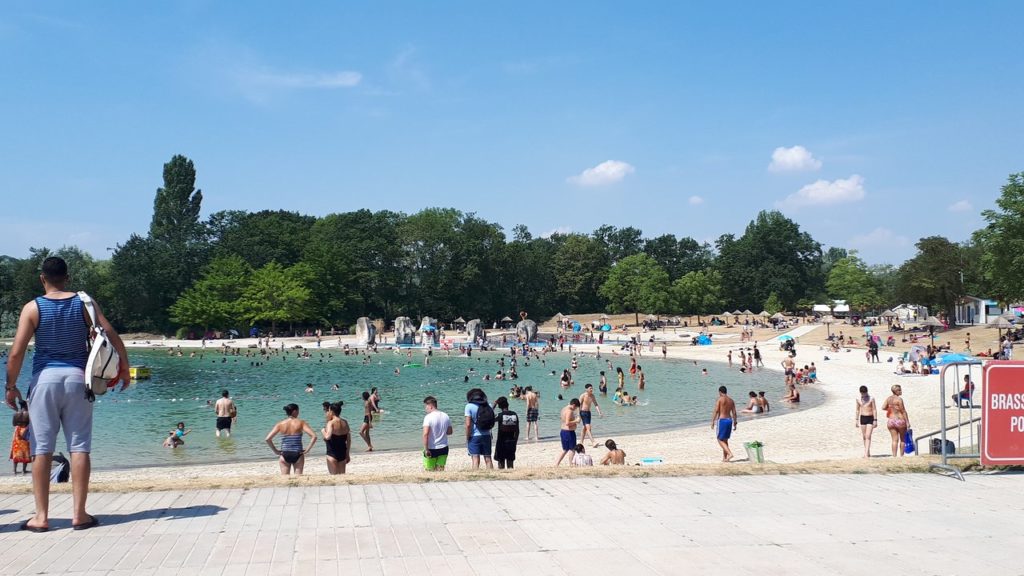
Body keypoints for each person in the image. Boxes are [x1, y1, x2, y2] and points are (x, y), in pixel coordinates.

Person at [5, 257, 130, 532]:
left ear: (42, 278)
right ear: (67, 277)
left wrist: (10, 386)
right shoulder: (84, 303)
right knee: (79, 446)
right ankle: (79, 514)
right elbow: (110, 332)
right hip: (78, 379)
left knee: (42, 449)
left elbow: (16, 353)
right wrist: (124, 366)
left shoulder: (32, 308)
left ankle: (41, 517)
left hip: (44, 381)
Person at [265, 403, 317, 475]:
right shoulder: (301, 423)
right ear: (294, 411)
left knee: (285, 480)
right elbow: (314, 436)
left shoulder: (280, 424)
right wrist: (307, 450)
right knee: (298, 479)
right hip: (298, 453)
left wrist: (276, 451)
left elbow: (268, 439)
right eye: (298, 411)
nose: (298, 413)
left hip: (284, 454)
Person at [464, 388, 494, 469]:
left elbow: (468, 424)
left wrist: (467, 436)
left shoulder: (469, 406)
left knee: (475, 458)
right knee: (488, 458)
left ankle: (475, 477)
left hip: (474, 436)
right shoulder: (489, 405)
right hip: (487, 435)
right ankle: (492, 476)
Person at [881, 384, 910, 457]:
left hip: (891, 420)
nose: (901, 391)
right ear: (896, 391)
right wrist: (907, 422)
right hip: (899, 420)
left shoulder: (889, 399)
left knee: (894, 440)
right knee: (902, 439)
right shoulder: (899, 399)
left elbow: (883, 407)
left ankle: (894, 456)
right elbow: (903, 411)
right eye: (899, 390)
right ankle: (901, 456)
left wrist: (891, 409)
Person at [321, 402, 350, 474]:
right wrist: (347, 453)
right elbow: (348, 439)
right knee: (342, 476)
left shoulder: (331, 423)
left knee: (334, 477)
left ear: (332, 412)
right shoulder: (345, 422)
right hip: (342, 452)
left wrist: (323, 431)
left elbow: (327, 437)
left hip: (332, 452)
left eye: (329, 410)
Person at [711, 386, 737, 462]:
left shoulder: (720, 399)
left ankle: (730, 454)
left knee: (719, 439)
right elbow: (734, 413)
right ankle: (725, 458)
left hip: (722, 420)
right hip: (729, 420)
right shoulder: (731, 400)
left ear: (720, 392)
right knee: (725, 440)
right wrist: (735, 423)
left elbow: (716, 411)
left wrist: (712, 421)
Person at [493, 396, 520, 469]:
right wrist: (515, 442)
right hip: (512, 441)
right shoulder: (514, 414)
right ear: (508, 405)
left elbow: (490, 418)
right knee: (510, 463)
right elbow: (517, 431)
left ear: (499, 406)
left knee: (501, 462)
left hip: (501, 442)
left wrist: (493, 405)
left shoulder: (500, 415)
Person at [554, 398, 582, 466]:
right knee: (572, 449)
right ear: (573, 405)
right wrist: (576, 421)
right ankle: (570, 464)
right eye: (575, 408)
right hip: (569, 432)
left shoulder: (564, 408)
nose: (575, 409)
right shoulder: (569, 411)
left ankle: (556, 464)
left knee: (565, 449)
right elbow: (567, 423)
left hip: (563, 431)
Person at [855, 386, 877, 458]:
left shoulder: (871, 398)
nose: (864, 395)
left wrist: (875, 420)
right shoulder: (858, 399)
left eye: (865, 393)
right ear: (860, 393)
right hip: (863, 418)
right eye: (862, 393)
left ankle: (866, 454)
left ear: (867, 392)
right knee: (864, 436)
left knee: (868, 436)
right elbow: (857, 410)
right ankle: (867, 451)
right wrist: (856, 420)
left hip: (870, 418)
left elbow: (874, 409)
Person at [10, 401, 30, 474]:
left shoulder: (16, 414)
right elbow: (30, 424)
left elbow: (14, 424)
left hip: (17, 432)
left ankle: (14, 470)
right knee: (26, 451)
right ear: (26, 405)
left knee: (16, 450)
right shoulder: (28, 414)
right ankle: (23, 470)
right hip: (25, 431)